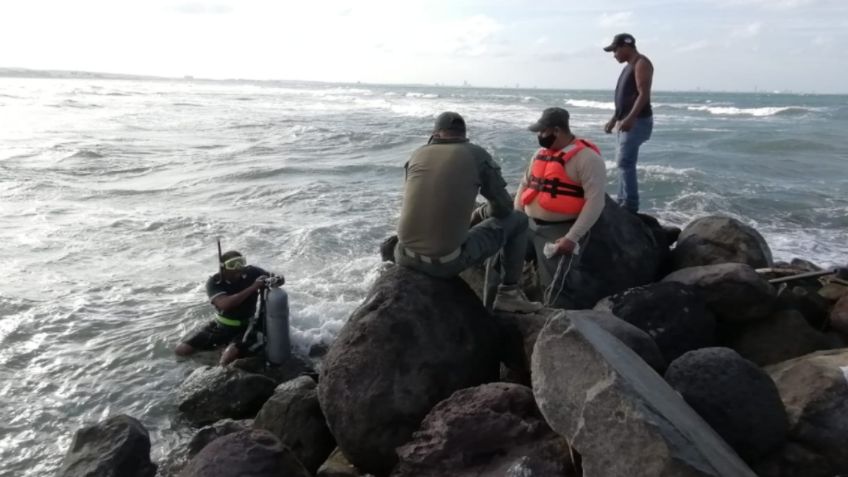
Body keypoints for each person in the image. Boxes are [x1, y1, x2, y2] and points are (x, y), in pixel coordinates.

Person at [394, 111, 542, 313]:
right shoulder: (476, 154)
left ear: (435, 134)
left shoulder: (417, 154)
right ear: (463, 134)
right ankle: (509, 294)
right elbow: (504, 209)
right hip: (445, 263)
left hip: (403, 255)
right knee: (519, 220)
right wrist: (484, 211)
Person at [514, 107, 606, 307]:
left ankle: (556, 325)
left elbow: (596, 200)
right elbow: (524, 185)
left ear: (556, 130)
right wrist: (517, 218)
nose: (539, 136)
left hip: (559, 231)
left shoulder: (587, 158)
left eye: (542, 131)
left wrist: (572, 237)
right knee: (505, 263)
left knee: (556, 287)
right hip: (528, 225)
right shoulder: (540, 154)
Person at [174, 250, 279, 365]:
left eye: (241, 262)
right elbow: (226, 304)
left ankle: (224, 364)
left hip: (246, 326)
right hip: (221, 326)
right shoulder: (214, 282)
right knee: (181, 350)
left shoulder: (252, 272)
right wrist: (253, 287)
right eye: (232, 264)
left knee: (227, 358)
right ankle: (207, 359)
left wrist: (274, 280)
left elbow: (277, 278)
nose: (238, 268)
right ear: (222, 267)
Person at [603, 32, 654, 213]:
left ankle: (630, 205)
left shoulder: (641, 63)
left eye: (615, 50)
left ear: (626, 46)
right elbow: (625, 97)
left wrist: (631, 118)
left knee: (625, 162)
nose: (614, 54)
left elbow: (643, 94)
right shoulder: (628, 66)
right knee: (622, 162)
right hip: (627, 120)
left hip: (638, 121)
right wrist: (614, 119)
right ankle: (622, 200)